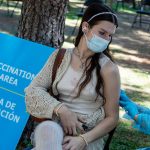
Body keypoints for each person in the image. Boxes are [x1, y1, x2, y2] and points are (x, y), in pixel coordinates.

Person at [24, 3, 120, 150]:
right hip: (56, 127)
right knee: (48, 130)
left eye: (110, 36)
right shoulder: (60, 56)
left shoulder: (108, 69)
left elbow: (112, 118)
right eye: (102, 33)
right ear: (85, 27)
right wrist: (62, 109)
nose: (106, 40)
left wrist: (83, 140)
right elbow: (33, 89)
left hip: (87, 134)